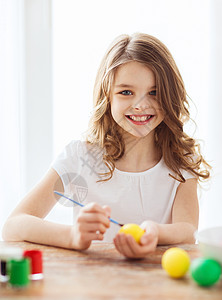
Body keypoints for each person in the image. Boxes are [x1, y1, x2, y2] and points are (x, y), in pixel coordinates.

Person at [2, 33, 211, 258]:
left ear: (171, 96)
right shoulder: (79, 157)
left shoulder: (180, 161)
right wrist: (73, 236)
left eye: (154, 92)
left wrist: (154, 232)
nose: (140, 105)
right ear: (107, 96)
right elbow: (13, 225)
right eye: (126, 92)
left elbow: (188, 230)